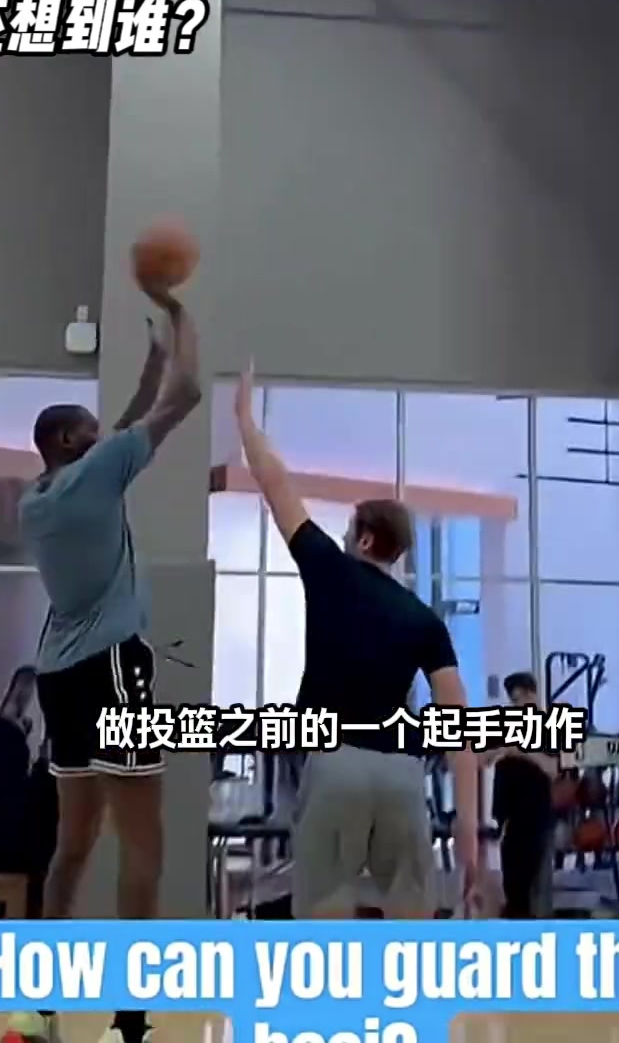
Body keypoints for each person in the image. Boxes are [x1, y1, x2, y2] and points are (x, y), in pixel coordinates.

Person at [10, 298, 201, 1043]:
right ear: (69, 440)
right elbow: (185, 397)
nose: (103, 431)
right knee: (144, 846)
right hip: (114, 669)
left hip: (58, 676)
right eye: (88, 427)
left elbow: (119, 430)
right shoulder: (98, 474)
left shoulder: (38, 498)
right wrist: (179, 316)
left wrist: (148, 364)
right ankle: (129, 1020)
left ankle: (38, 1007)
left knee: (74, 844)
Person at [233, 369, 479, 919]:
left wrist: (245, 420)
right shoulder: (424, 620)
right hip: (401, 775)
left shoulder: (330, 570)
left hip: (335, 764)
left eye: (349, 532)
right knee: (410, 920)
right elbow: (461, 726)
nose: (343, 538)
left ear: (365, 539)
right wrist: (468, 833)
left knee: (324, 917)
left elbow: (275, 482)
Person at [488, 671, 558, 920]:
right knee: (514, 886)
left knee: (536, 887)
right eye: (513, 702)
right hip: (511, 820)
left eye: (518, 700)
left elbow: (554, 769)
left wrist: (524, 752)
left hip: (538, 818)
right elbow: (483, 757)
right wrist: (501, 749)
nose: (516, 707)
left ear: (532, 695)